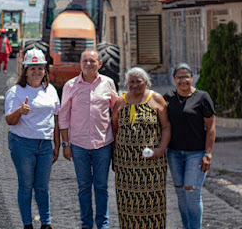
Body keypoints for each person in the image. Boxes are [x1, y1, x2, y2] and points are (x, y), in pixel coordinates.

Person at [58, 49, 118, 229]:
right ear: (80, 63)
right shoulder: (70, 85)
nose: (89, 64)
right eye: (85, 60)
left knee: (101, 187)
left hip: (103, 144)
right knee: (84, 187)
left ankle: (102, 224)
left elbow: (115, 112)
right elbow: (63, 116)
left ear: (100, 63)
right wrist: (65, 144)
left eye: (93, 61)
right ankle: (86, 224)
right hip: (78, 144)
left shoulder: (108, 83)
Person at [5, 48, 60, 229]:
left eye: (40, 68)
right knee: (26, 186)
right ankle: (27, 224)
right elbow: (9, 120)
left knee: (43, 187)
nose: (36, 72)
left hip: (44, 145)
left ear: (45, 70)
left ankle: (46, 223)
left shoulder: (50, 89)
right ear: (25, 70)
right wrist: (20, 111)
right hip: (23, 144)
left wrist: (57, 145)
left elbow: (57, 118)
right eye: (32, 68)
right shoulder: (16, 91)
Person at [111, 67, 170, 228]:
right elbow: (115, 128)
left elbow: (166, 127)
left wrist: (161, 149)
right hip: (126, 164)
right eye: (131, 82)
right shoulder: (119, 102)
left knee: (153, 202)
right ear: (126, 83)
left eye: (139, 81)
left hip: (152, 163)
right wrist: (115, 156)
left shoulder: (156, 99)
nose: (135, 85)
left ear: (146, 82)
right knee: (127, 203)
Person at [163, 63, 216, 229]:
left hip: (196, 153)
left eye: (186, 76)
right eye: (179, 76)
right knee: (180, 193)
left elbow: (211, 128)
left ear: (192, 78)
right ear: (174, 79)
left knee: (191, 191)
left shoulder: (202, 97)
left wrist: (208, 154)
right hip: (174, 153)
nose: (183, 80)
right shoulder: (168, 98)